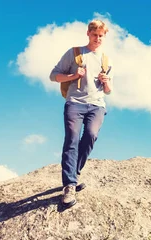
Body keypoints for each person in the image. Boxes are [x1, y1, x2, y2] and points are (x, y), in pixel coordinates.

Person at [49, 19, 114, 207]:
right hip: (75, 103)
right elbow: (53, 75)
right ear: (88, 33)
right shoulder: (75, 53)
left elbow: (108, 90)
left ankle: (74, 174)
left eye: (101, 36)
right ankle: (69, 185)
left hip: (96, 105)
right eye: (95, 35)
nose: (98, 39)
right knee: (72, 139)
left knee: (91, 135)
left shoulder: (106, 60)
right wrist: (73, 76)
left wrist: (106, 81)